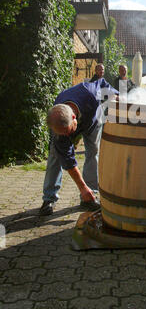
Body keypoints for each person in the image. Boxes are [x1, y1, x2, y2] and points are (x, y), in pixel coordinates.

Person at [39, 78, 119, 216]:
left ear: (74, 117)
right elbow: (68, 161)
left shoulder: (90, 93)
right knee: (55, 155)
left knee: (93, 153)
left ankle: (89, 196)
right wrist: (81, 186)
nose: (68, 136)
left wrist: (115, 95)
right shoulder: (58, 122)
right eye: (63, 134)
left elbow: (102, 83)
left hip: (92, 122)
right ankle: (49, 198)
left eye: (69, 132)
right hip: (72, 120)